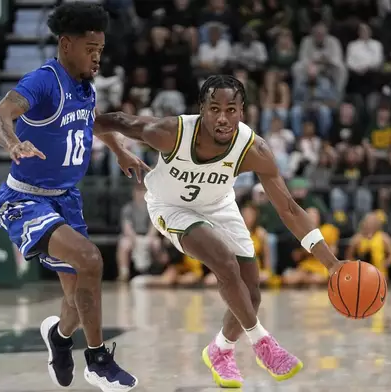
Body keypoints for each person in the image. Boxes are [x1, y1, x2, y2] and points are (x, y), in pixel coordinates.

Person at [94, 75, 344, 388]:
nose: (222, 117)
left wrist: (332, 264)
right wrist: (117, 149)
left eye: (231, 109)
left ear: (243, 112)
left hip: (219, 204)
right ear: (201, 110)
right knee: (224, 262)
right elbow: (109, 121)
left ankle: (220, 350)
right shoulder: (171, 132)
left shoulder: (254, 149)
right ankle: (263, 344)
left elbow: (290, 209)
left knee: (251, 296)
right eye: (214, 109)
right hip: (171, 206)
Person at [0, 3, 146, 391]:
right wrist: (12, 142)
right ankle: (97, 361)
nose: (97, 56)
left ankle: (60, 337)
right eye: (90, 48)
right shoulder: (45, 81)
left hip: (65, 199)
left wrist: (120, 149)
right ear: (66, 44)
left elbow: (90, 119)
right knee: (91, 260)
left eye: (100, 49)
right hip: (25, 199)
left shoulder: (84, 85)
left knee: (76, 299)